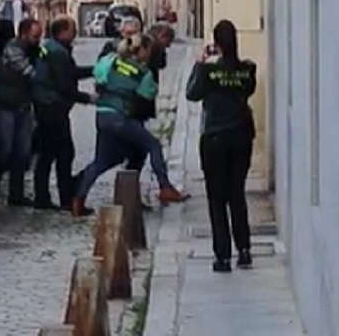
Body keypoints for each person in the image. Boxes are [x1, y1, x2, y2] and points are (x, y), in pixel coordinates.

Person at [70, 34, 188, 217]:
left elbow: (98, 76)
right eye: (148, 51)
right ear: (142, 51)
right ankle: (165, 188)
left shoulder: (110, 60)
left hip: (102, 114)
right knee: (153, 145)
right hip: (121, 117)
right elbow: (146, 97)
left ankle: (78, 200)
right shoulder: (144, 73)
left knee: (101, 161)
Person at [186, 19, 258, 273]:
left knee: (216, 198)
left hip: (215, 137)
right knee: (237, 194)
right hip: (241, 136)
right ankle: (245, 250)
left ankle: (223, 256)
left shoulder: (208, 72)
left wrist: (199, 63)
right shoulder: (248, 70)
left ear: (216, 43)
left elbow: (191, 93)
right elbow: (247, 91)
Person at [31, 15, 96, 210]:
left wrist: (95, 70)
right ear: (62, 32)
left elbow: (70, 72)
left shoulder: (49, 47)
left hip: (44, 106)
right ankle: (66, 199)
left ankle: (42, 197)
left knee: (47, 154)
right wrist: (87, 98)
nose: (75, 32)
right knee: (64, 153)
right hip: (53, 108)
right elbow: (64, 84)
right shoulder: (58, 52)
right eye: (72, 29)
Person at [0, 17, 44, 207]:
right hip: (5, 107)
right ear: (23, 33)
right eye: (35, 36)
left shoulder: (31, 50)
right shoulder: (13, 50)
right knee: (3, 151)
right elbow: (30, 73)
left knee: (22, 153)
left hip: (23, 106)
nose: (38, 40)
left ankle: (16, 195)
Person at [123, 22, 177, 174]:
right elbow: (161, 64)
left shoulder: (145, 46)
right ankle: (161, 186)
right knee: (146, 147)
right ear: (162, 36)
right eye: (168, 42)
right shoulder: (153, 48)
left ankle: (131, 182)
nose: (168, 46)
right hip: (140, 102)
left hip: (136, 103)